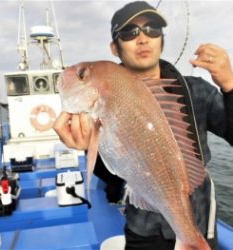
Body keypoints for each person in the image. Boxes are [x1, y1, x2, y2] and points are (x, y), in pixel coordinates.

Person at [54, 1, 233, 249]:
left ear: (161, 40)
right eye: (129, 32)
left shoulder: (196, 91)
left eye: (153, 29)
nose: (142, 38)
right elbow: (116, 182)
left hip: (200, 225)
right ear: (114, 48)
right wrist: (86, 146)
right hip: (143, 232)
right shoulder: (104, 101)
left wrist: (230, 86)